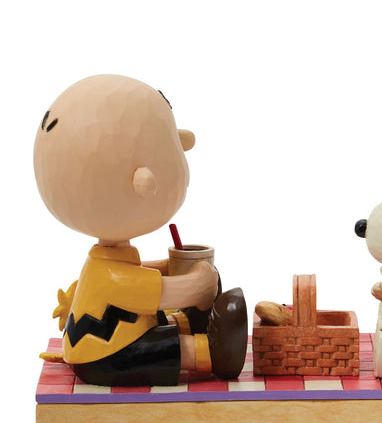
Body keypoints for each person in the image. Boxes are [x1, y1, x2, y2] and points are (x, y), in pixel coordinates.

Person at [34, 74, 248, 386]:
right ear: (143, 182)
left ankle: (189, 322)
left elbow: (137, 275)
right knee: (162, 348)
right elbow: (154, 291)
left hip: (119, 335)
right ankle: (211, 352)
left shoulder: (107, 262)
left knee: (155, 325)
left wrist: (169, 267)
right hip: (105, 355)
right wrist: (196, 285)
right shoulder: (108, 275)